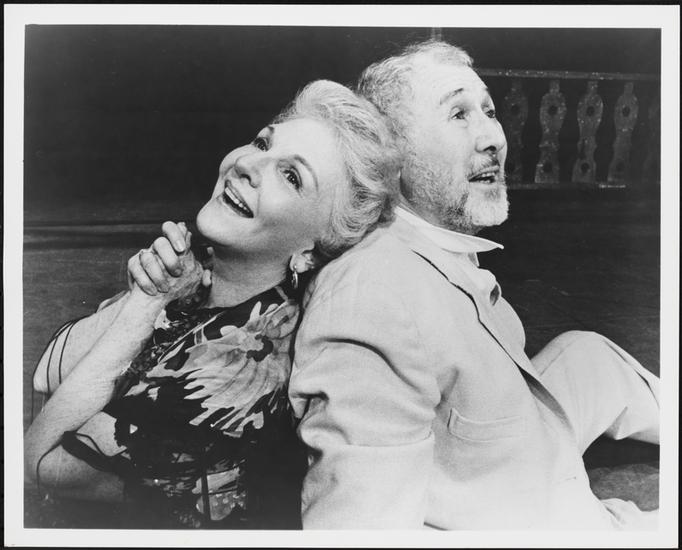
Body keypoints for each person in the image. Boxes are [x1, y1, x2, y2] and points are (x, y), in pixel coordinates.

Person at [288, 40, 660, 529]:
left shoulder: (424, 238)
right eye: (459, 114)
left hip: (509, 440)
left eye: (488, 110)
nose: (493, 139)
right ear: (391, 152)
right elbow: (358, 527)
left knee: (586, 354)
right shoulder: (371, 301)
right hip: (542, 516)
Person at [24, 79, 399, 529]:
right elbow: (47, 372)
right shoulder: (205, 278)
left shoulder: (234, 379)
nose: (247, 164)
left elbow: (38, 463)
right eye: (263, 143)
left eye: (291, 176)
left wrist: (145, 304)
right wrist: (155, 298)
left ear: (311, 250)